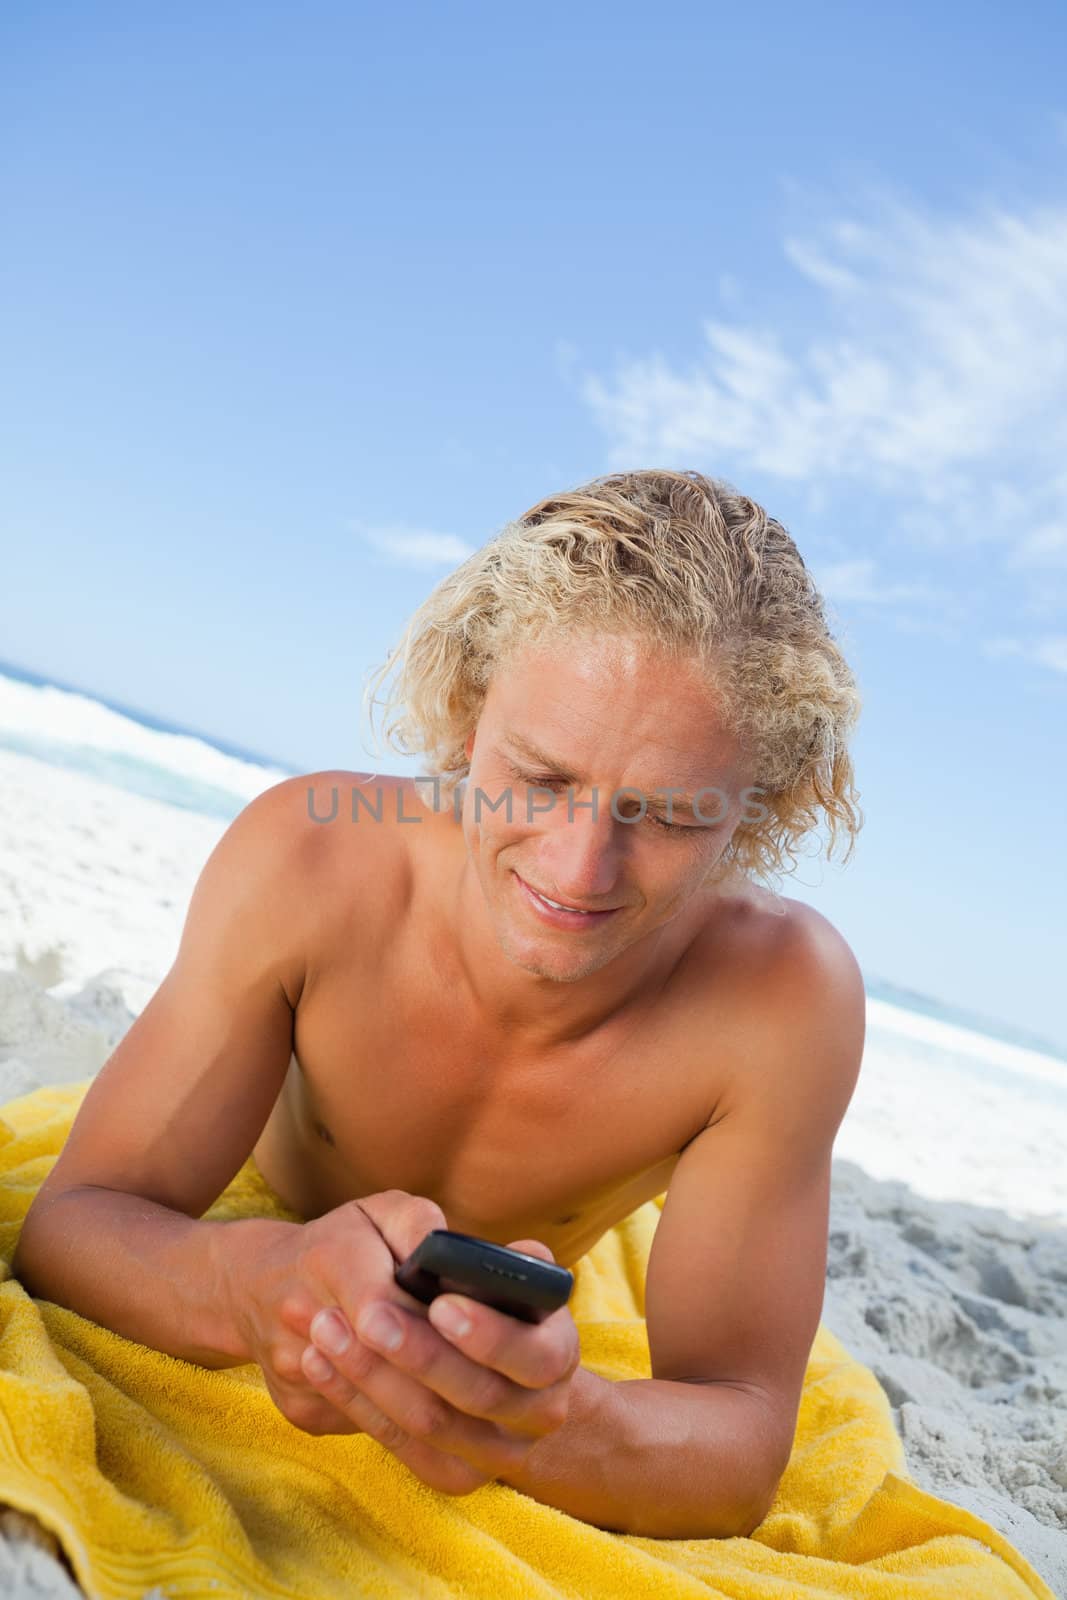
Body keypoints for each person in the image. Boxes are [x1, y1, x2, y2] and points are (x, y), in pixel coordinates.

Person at [13, 468, 867, 1541]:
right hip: (269, 1202)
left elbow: (741, 1438)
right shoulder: (312, 863)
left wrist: (551, 1415)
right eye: (540, 776)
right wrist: (255, 1282)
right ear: (467, 714)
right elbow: (73, 1225)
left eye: (667, 816)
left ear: (757, 808)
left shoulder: (781, 1004)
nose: (577, 867)